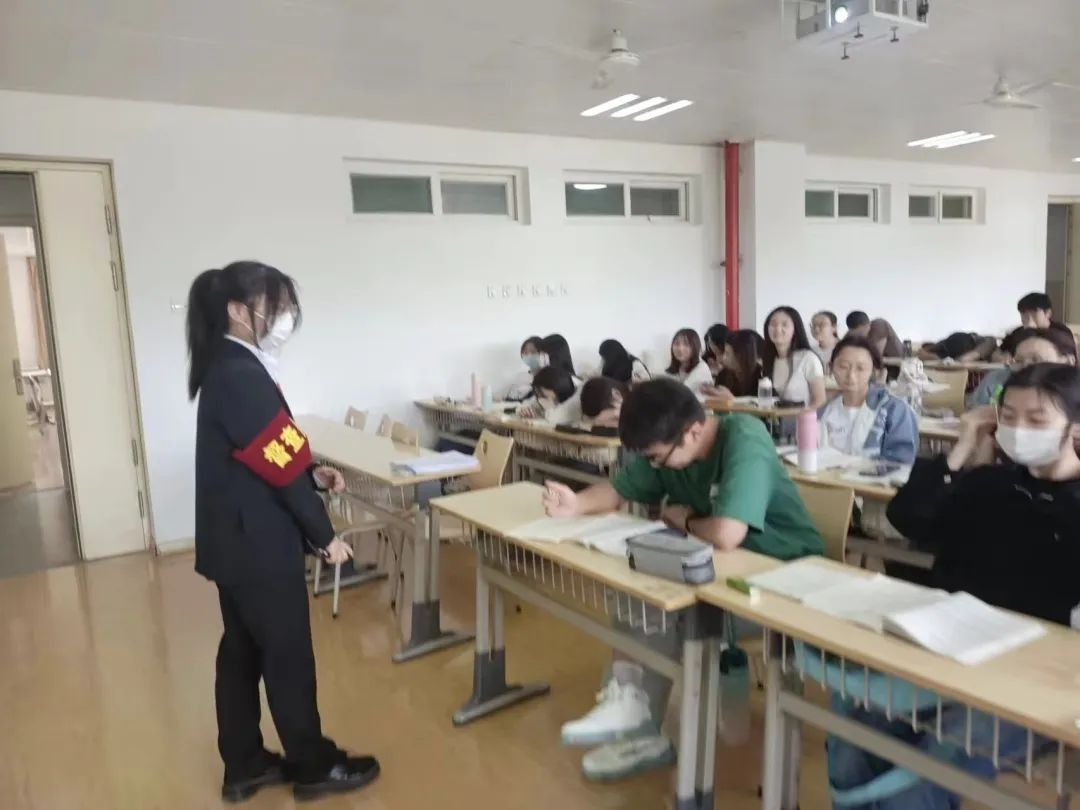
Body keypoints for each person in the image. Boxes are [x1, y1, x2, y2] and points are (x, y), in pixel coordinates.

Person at [542, 379, 823, 781]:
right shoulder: (671, 445)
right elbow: (620, 489)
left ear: (693, 431)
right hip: (725, 572)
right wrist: (576, 504)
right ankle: (630, 706)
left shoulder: (744, 438)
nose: (654, 466)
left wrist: (686, 521)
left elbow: (727, 534)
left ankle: (641, 721)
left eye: (658, 458)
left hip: (787, 582)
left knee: (668, 613)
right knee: (637, 591)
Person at [826, 364, 1080, 809]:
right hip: (942, 653)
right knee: (852, 745)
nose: (1019, 429)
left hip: (1026, 681)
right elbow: (907, 518)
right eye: (1008, 416)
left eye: (1037, 420)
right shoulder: (989, 484)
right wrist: (960, 449)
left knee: (925, 773)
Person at [187, 261, 378, 803]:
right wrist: (324, 534)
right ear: (237, 311)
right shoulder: (238, 372)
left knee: (243, 651)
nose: (286, 317)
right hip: (257, 545)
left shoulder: (231, 365)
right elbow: (276, 460)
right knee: (287, 655)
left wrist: (311, 472)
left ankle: (245, 763)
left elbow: (269, 451)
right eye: (276, 306)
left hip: (237, 542)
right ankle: (312, 766)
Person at [818, 336, 918, 464]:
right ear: (830, 368)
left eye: (860, 368)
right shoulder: (823, 411)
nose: (851, 375)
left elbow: (901, 462)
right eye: (843, 367)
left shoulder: (894, 410)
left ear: (874, 372)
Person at [763, 306, 827, 408]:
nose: (778, 329)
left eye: (784, 325)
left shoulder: (808, 358)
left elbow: (820, 400)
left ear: (795, 329)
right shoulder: (768, 359)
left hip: (802, 417)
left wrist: (803, 415)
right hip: (772, 417)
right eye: (773, 324)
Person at [701, 329, 763, 401]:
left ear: (740, 356)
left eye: (727, 353)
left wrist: (732, 400)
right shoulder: (723, 375)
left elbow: (762, 405)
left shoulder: (761, 376)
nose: (723, 358)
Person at [664, 328, 713, 392]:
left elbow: (683, 392)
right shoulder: (676, 367)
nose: (680, 349)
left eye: (686, 344)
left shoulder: (702, 368)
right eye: (677, 344)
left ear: (695, 347)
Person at [504, 336, 543, 402]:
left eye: (533, 352)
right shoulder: (520, 376)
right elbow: (509, 397)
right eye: (525, 352)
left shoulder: (548, 378)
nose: (529, 355)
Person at [918, 331, 997, 363]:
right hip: (965, 342)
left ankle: (928, 352)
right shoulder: (991, 343)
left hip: (954, 354)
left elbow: (962, 359)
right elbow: (965, 359)